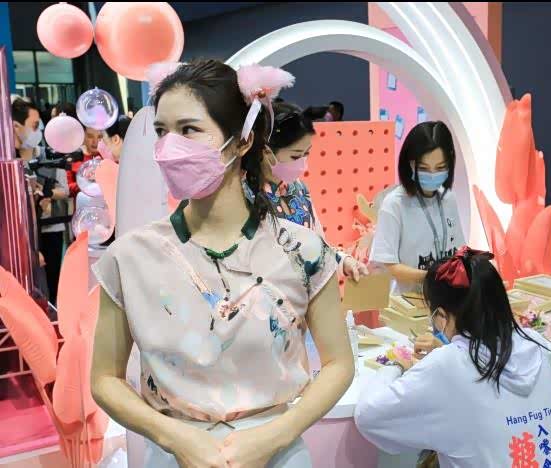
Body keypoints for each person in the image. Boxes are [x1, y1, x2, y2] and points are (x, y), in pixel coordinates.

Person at [90, 60, 355, 468]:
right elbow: (105, 378)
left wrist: (275, 435)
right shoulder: (129, 257)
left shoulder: (301, 250)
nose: (169, 148)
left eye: (188, 130)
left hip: (277, 454)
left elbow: (339, 364)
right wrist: (173, 436)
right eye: (161, 131)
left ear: (242, 141)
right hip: (175, 456)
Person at [355, 247, 551, 467]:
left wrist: (395, 365)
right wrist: (447, 348)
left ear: (441, 316)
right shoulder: (532, 343)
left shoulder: (447, 364)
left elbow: (369, 415)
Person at [247, 100, 368, 282]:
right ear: (266, 152)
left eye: (306, 154)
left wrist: (343, 261)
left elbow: (318, 245)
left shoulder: (298, 188)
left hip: (307, 294)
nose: (302, 163)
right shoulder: (244, 196)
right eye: (296, 155)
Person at [370, 121, 465, 295]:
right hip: (408, 302)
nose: (433, 175)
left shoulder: (448, 198)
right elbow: (389, 265)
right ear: (410, 164)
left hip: (448, 297)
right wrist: (430, 277)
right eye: (424, 168)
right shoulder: (394, 204)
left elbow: (459, 249)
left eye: (440, 168)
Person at [13, 97, 69, 305]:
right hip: (22, 235)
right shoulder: (9, 163)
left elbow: (64, 190)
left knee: (52, 285)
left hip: (50, 228)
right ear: (16, 126)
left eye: (40, 126)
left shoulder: (50, 156)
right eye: (34, 126)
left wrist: (45, 193)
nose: (39, 131)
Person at [67, 126, 101, 197]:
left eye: (100, 137)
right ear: (83, 137)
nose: (95, 141)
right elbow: (67, 188)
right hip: (82, 203)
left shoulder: (110, 157)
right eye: (90, 136)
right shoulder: (73, 157)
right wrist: (86, 183)